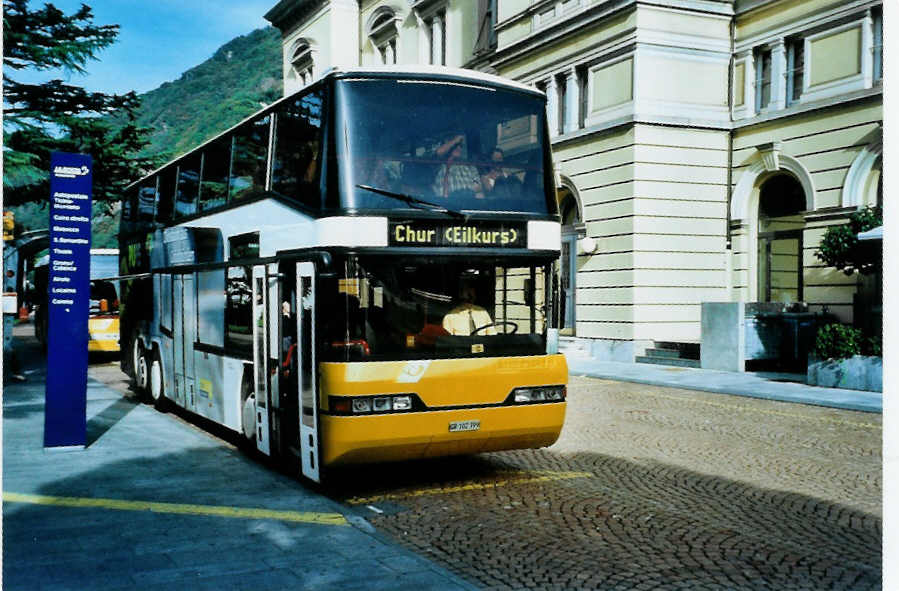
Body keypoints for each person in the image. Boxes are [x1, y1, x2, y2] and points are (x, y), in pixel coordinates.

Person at [432, 134, 484, 199]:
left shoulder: (470, 167)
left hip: (469, 202)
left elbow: (478, 187)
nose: (458, 148)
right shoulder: (439, 164)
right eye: (455, 146)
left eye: (460, 146)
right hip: (447, 204)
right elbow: (438, 153)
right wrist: (455, 141)